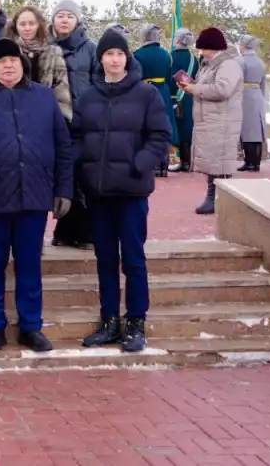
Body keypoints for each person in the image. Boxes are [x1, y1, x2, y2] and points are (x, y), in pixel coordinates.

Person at [0, 39, 73, 353]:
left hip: (34, 195)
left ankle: (30, 326)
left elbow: (63, 146)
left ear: (23, 65)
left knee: (29, 265)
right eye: (2, 61)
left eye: (14, 60)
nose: (9, 66)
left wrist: (64, 189)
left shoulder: (44, 98)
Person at [74, 30, 170, 353]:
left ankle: (136, 322)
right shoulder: (88, 97)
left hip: (131, 192)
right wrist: (82, 171)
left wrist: (138, 164)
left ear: (127, 58)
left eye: (119, 54)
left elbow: (160, 136)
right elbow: (76, 139)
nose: (114, 59)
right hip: (99, 193)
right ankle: (110, 320)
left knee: (133, 258)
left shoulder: (146, 95)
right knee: (104, 258)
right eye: (108, 54)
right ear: (100, 59)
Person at [177, 27, 243, 215]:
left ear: (212, 47)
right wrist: (189, 85)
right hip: (212, 119)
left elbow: (222, 90)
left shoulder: (228, 65)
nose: (200, 51)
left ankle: (217, 198)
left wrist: (194, 89)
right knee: (214, 161)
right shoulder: (210, 64)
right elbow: (206, 85)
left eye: (203, 48)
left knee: (219, 161)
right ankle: (215, 197)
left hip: (221, 120)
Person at [49, 0, 97, 247]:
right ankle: (66, 229)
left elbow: (99, 82)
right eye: (60, 15)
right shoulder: (44, 46)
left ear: (77, 20)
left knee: (79, 175)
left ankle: (82, 231)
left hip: (80, 120)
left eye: (69, 15)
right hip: (50, 118)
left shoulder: (90, 48)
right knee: (59, 176)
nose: (64, 19)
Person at [4, 5, 72, 120]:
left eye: (31, 24)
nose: (27, 28)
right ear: (15, 27)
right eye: (22, 24)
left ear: (38, 25)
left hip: (45, 117)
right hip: (13, 118)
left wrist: (62, 118)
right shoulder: (8, 51)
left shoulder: (53, 52)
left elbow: (61, 88)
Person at [132, 24, 177, 177]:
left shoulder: (138, 54)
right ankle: (164, 165)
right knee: (163, 127)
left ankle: (153, 166)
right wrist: (173, 97)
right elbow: (171, 78)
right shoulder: (166, 54)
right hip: (163, 91)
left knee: (148, 128)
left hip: (145, 91)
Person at [237, 35, 267, 173]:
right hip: (257, 94)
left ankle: (249, 161)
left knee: (247, 130)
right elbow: (263, 84)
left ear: (243, 46)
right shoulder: (260, 62)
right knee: (257, 131)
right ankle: (256, 163)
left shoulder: (240, 61)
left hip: (244, 95)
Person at [170, 28, 199, 172]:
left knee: (177, 129)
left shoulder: (170, 57)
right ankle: (188, 162)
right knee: (188, 129)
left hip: (175, 97)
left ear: (177, 40)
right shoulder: (194, 59)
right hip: (189, 97)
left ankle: (182, 161)